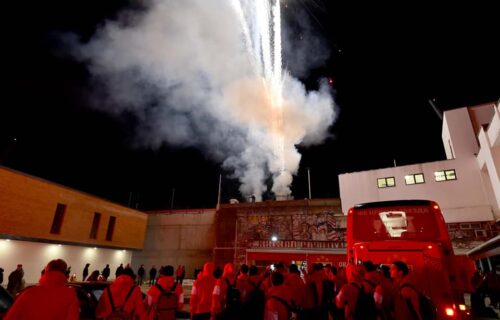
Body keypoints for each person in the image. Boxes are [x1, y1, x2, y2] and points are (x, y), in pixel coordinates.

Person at [4, 259, 79, 320]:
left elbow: (11, 316)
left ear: (46, 270)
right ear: (65, 273)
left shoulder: (29, 292)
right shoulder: (70, 293)